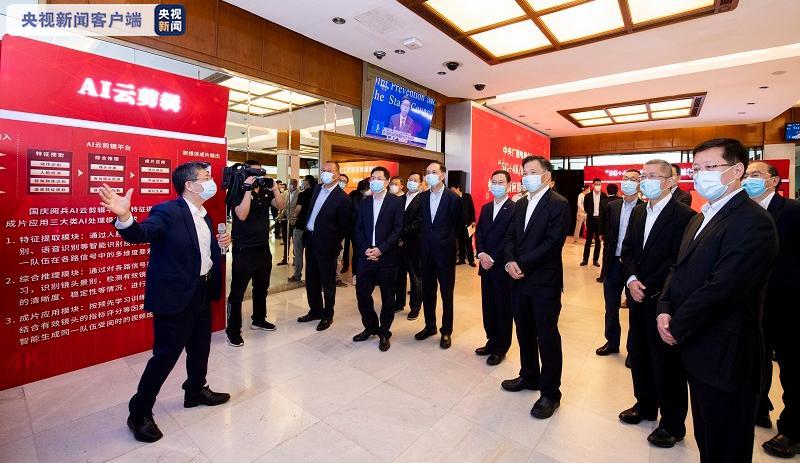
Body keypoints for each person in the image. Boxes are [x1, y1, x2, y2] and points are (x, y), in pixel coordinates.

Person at [656, 138, 778, 463]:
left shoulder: (753, 221)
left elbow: (723, 289)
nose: (700, 175)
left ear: (736, 171)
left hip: (727, 355)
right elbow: (678, 268)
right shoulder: (701, 216)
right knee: (707, 438)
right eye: (696, 168)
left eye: (710, 167)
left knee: (726, 446)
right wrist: (664, 308)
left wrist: (676, 326)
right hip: (697, 349)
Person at [98, 162, 231, 443]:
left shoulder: (204, 214)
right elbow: (141, 234)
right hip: (175, 297)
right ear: (190, 185)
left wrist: (222, 244)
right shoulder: (168, 211)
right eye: (206, 177)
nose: (211, 182)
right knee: (165, 356)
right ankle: (139, 412)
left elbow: (200, 253)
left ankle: (195, 390)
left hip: (201, 290)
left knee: (200, 348)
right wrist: (125, 217)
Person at [619, 159, 696, 449]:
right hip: (637, 296)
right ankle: (645, 405)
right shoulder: (639, 211)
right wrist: (631, 280)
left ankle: (672, 423)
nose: (646, 180)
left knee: (667, 363)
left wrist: (646, 284)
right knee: (638, 352)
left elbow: (678, 260)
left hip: (663, 300)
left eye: (653, 176)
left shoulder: (685, 216)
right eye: (644, 175)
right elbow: (627, 250)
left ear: (670, 181)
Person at [502, 155, 570, 420]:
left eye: (532, 171)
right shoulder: (520, 203)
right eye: (524, 172)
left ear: (546, 175)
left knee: (547, 337)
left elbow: (553, 243)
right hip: (518, 279)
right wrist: (509, 261)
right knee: (524, 331)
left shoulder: (558, 203)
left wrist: (521, 263)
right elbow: (510, 236)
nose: (526, 176)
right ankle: (529, 375)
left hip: (543, 282)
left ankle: (550, 393)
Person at [743, 162, 800, 458]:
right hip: (751, 304)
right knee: (755, 360)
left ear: (774, 181)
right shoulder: (742, 212)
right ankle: (759, 407)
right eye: (746, 175)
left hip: (788, 305)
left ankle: (793, 431)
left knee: (792, 371)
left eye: (756, 175)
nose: (748, 180)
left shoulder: (792, 211)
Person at [225, 161, 285, 347]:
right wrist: (247, 190)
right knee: (238, 292)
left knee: (261, 287)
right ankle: (233, 330)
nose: (259, 176)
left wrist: (275, 189)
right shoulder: (237, 191)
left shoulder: (265, 191)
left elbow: (281, 206)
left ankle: (259, 319)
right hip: (244, 249)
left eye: (261, 172)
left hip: (263, 248)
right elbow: (241, 215)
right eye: (255, 172)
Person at [352, 166, 404, 351]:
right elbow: (358, 228)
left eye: (379, 178)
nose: (374, 181)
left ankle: (384, 332)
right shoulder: (365, 202)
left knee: (388, 297)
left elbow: (397, 229)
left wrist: (380, 250)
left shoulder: (396, 202)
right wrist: (366, 249)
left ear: (387, 182)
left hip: (387, 257)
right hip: (366, 257)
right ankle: (370, 326)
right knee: (362, 294)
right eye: (372, 178)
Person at [297, 161, 353, 331]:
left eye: (330, 170)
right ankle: (315, 310)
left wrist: (333, 242)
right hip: (310, 239)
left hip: (327, 245)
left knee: (327, 282)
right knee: (311, 279)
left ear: (337, 174)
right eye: (323, 170)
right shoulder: (316, 189)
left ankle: (327, 315)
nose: (325, 173)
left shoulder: (343, 198)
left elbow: (344, 227)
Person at [415, 161, 464, 349]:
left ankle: (446, 330)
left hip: (445, 253)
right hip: (426, 252)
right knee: (428, 291)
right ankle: (430, 326)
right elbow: (421, 223)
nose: (430, 175)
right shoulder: (423, 197)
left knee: (446, 294)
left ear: (442, 175)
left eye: (434, 172)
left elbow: (458, 226)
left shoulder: (453, 197)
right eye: (427, 172)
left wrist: (446, 241)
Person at [595, 169, 642, 357]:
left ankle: (633, 350)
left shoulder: (644, 208)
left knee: (635, 310)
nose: (628, 182)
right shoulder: (612, 206)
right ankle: (612, 342)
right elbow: (605, 233)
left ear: (640, 184)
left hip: (634, 266)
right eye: (626, 178)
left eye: (633, 179)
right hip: (613, 263)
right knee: (611, 307)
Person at [475, 170, 515, 366]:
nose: (496, 186)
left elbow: (510, 238)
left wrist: (492, 257)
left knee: (503, 308)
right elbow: (479, 233)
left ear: (508, 185)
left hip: (501, 267)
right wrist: (481, 253)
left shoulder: (514, 208)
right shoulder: (486, 207)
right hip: (485, 265)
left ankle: (501, 347)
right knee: (488, 306)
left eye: (501, 182)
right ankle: (491, 340)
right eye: (494, 182)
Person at [395, 172, 423, 319]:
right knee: (399, 275)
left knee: (415, 276)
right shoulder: (400, 199)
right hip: (398, 244)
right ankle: (399, 303)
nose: (412, 182)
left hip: (414, 243)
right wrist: (397, 236)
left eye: (415, 180)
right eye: (410, 179)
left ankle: (415, 306)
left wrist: (402, 234)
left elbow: (419, 222)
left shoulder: (422, 199)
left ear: (421, 183)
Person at [289, 175, 316, 283]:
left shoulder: (302, 194)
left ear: (307, 182)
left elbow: (298, 209)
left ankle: (297, 275)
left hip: (300, 226)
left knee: (298, 253)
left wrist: (293, 217)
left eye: (303, 180)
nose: (302, 182)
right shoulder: (316, 194)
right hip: (311, 228)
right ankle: (311, 276)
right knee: (311, 254)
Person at [581, 178, 607, 267]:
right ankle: (585, 260)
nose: (598, 186)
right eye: (596, 184)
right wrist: (590, 214)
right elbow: (585, 208)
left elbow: (605, 209)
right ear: (592, 185)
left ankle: (595, 260)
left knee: (598, 242)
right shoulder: (587, 196)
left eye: (599, 184)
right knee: (588, 241)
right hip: (591, 220)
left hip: (600, 221)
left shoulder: (604, 196)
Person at [452, 184, 477, 267]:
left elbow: (472, 208)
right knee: (460, 242)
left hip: (468, 223)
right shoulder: (454, 198)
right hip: (459, 225)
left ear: (458, 188)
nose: (452, 192)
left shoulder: (467, 196)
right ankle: (461, 259)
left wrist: (473, 220)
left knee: (468, 243)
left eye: (453, 190)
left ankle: (471, 260)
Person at [280, 178, 299, 266]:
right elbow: (282, 205)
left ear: (295, 185)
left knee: (295, 242)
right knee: (285, 240)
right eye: (288, 184)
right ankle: (285, 259)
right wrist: (280, 215)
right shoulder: (285, 193)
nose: (289, 186)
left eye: (290, 184)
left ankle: (296, 259)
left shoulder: (300, 194)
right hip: (285, 219)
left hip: (294, 220)